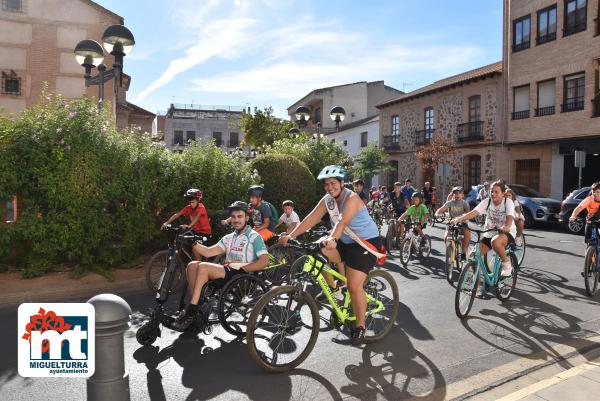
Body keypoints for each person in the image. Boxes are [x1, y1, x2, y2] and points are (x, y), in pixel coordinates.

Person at [280, 165, 382, 346]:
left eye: (333, 183)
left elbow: (342, 223)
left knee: (353, 286)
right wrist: (291, 235)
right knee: (318, 252)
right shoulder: (328, 200)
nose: (330, 187)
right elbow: (311, 218)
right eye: (326, 184)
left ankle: (360, 327)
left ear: (342, 183)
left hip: (365, 242)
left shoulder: (352, 198)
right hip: (345, 241)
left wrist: (332, 238)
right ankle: (333, 286)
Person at [171, 201, 269, 331]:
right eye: (233, 217)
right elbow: (208, 251)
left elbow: (264, 261)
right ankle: (198, 305)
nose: (236, 220)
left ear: (246, 218)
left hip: (243, 275)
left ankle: (192, 310)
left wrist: (241, 267)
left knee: (204, 267)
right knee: (192, 265)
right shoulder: (229, 237)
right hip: (228, 271)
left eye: (239, 216)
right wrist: (193, 242)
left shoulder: (254, 237)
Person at [450, 180, 517, 282]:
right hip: (490, 232)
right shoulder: (487, 201)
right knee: (473, 256)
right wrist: (459, 219)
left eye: (496, 192)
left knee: (495, 241)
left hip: (506, 233)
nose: (493, 194)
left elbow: (509, 217)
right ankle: (478, 283)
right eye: (491, 191)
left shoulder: (508, 202)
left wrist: (506, 226)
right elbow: (474, 212)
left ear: (503, 193)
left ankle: (507, 266)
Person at [162, 188, 212, 259]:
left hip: (204, 233)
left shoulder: (201, 207)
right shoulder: (188, 208)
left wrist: (189, 226)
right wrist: (166, 223)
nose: (191, 204)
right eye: (190, 202)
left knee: (195, 248)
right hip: (195, 231)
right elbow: (177, 214)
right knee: (180, 239)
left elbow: (197, 218)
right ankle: (188, 259)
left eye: (193, 202)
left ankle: (199, 264)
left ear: (198, 201)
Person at [435, 186, 471, 260]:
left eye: (459, 193)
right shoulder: (450, 203)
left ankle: (463, 253)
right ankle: (451, 249)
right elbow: (441, 209)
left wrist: (461, 218)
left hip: (462, 223)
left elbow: (468, 213)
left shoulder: (465, 203)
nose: (457, 195)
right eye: (455, 193)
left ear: (462, 195)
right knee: (446, 237)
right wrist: (437, 214)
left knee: (467, 234)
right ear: (453, 195)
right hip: (451, 223)